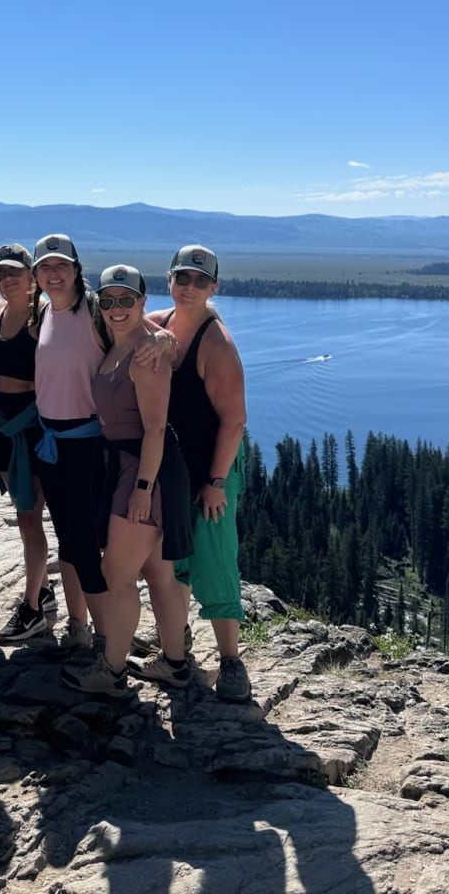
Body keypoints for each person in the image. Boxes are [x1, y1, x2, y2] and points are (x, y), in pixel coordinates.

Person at [30, 234, 175, 659]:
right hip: (51, 445)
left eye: (62, 266)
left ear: (77, 269)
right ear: (37, 275)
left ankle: (106, 641)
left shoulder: (97, 308)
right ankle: (82, 626)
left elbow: (153, 337)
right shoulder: (43, 311)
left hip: (88, 446)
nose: (53, 274)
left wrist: (166, 341)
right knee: (70, 543)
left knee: (87, 546)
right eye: (45, 267)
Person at [59, 267, 191, 697]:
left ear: (142, 300)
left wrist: (142, 490)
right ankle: (175, 662)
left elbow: (155, 428)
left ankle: (112, 672)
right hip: (132, 465)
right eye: (108, 300)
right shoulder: (131, 342)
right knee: (157, 572)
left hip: (142, 468)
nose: (116, 309)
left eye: (126, 300)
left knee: (117, 576)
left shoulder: (144, 356)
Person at [147, 244, 252, 702]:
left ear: (213, 287)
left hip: (213, 468)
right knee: (175, 557)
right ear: (169, 280)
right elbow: (111, 321)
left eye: (200, 280)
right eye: (182, 278)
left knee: (214, 556)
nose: (189, 287)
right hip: (175, 465)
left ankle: (231, 661)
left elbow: (235, 421)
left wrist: (216, 483)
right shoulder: (161, 324)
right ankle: (178, 645)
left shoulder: (216, 343)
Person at [0, 243, 58, 645]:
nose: (9, 279)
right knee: (26, 515)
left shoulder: (43, 315)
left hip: (35, 428)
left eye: (16, 272)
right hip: (4, 427)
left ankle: (32, 609)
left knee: (30, 517)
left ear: (32, 275)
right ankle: (41, 586)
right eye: (1, 274)